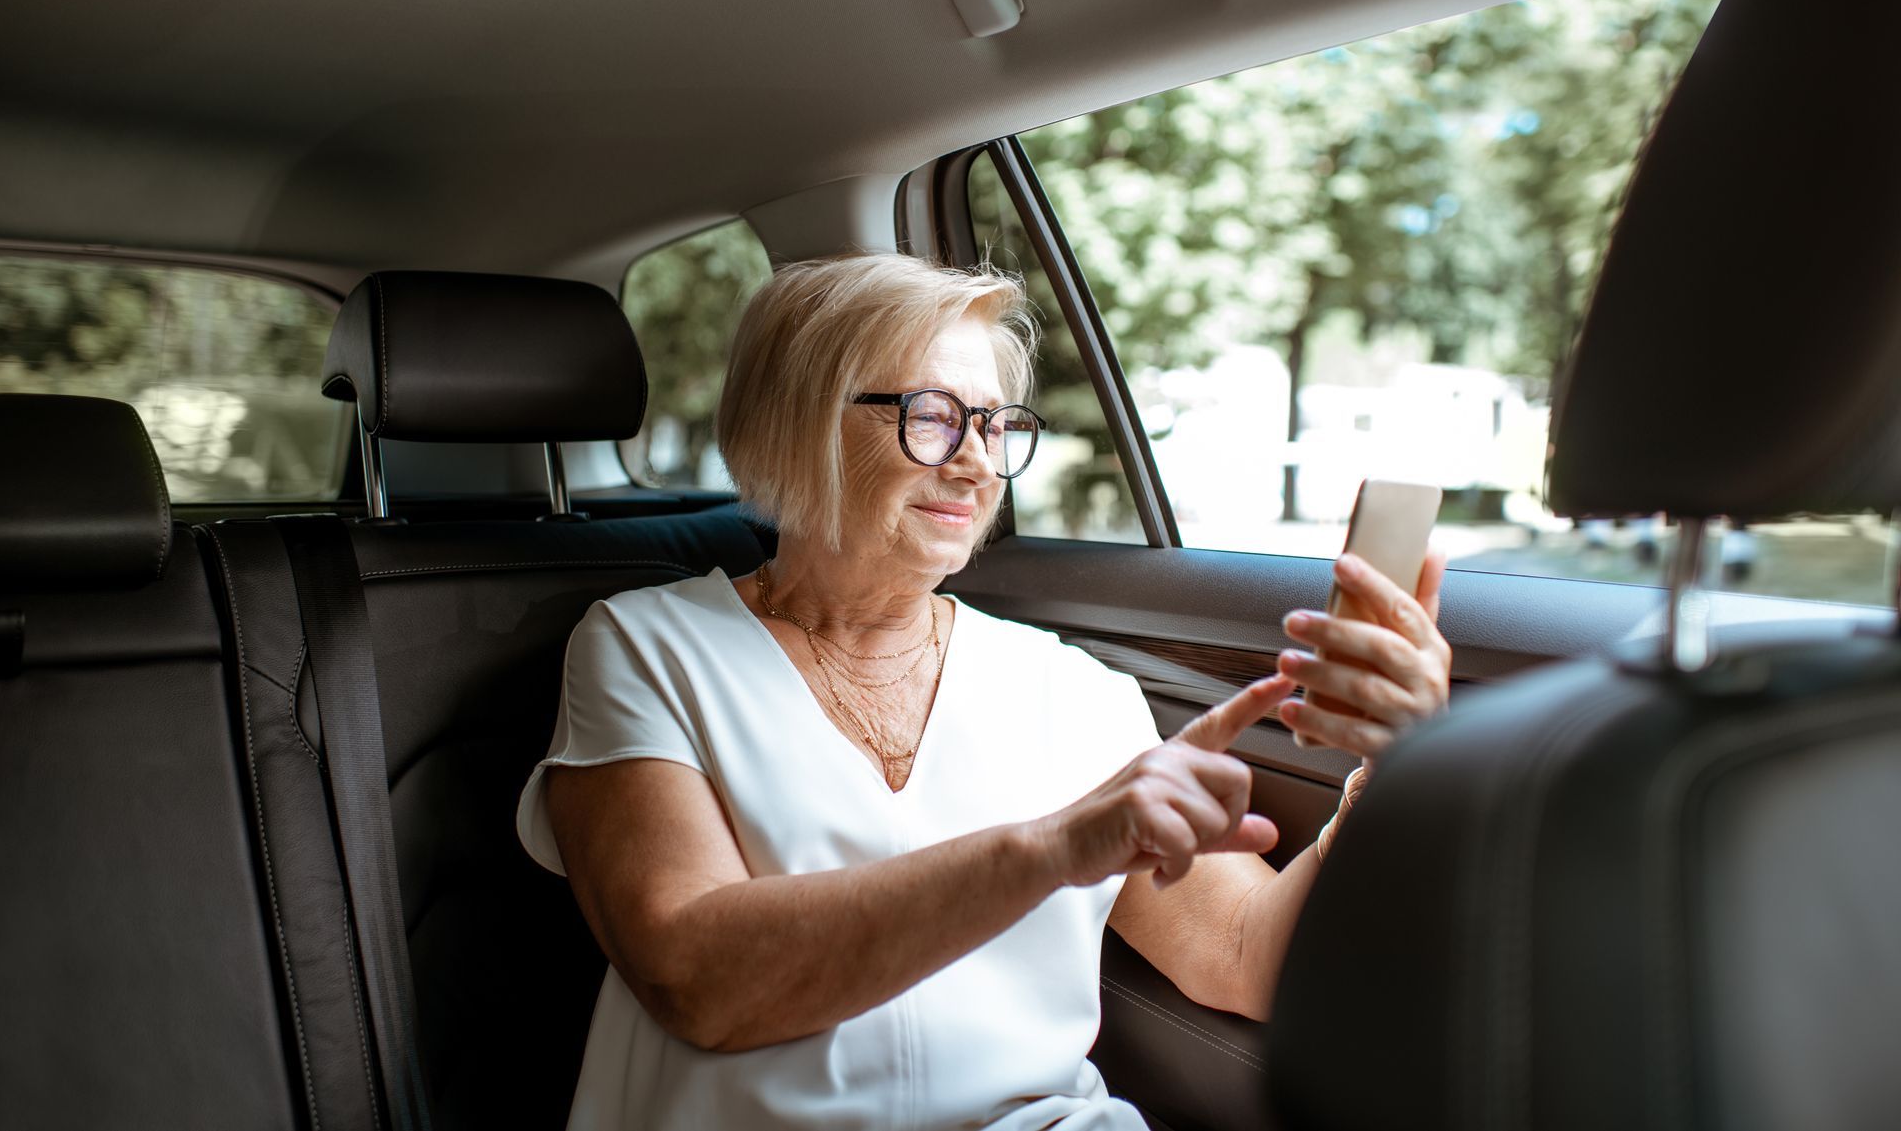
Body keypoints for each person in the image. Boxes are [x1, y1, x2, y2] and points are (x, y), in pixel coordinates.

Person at [515, 253, 1452, 1130]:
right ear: (796, 422)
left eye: (997, 425)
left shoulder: (1071, 689)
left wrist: (1400, 769)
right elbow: (694, 978)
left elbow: (1246, 956)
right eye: (932, 416)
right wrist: (1052, 849)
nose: (974, 461)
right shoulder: (644, 646)